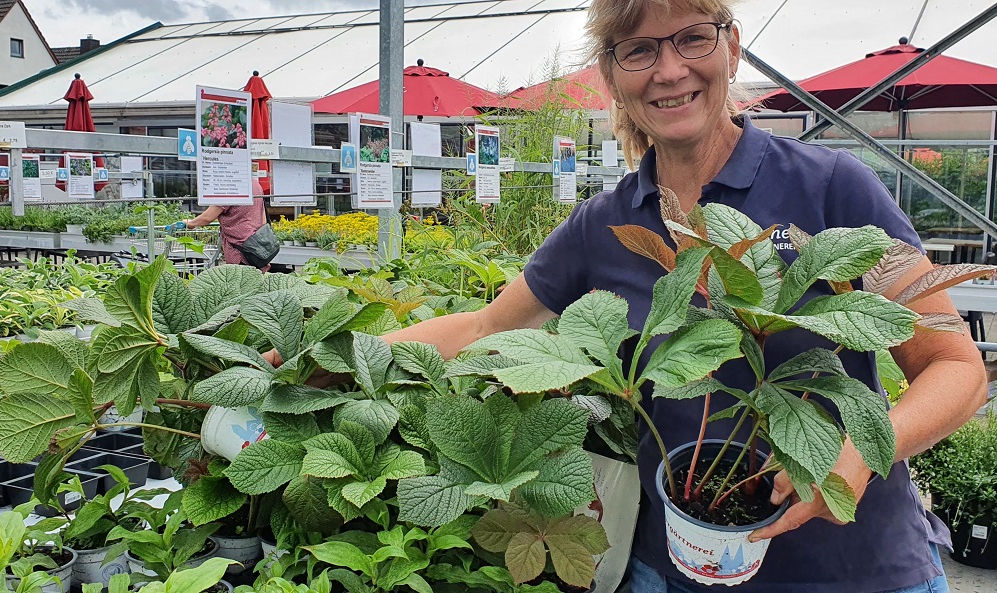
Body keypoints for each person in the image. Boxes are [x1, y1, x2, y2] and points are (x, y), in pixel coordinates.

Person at [265, 1, 986, 590]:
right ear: (612, 77)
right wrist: (334, 353)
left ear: (731, 47)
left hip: (854, 570)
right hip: (670, 568)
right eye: (637, 50)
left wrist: (862, 450)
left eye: (692, 38)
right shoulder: (605, 223)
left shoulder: (835, 188)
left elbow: (956, 366)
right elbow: (486, 325)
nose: (669, 70)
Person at [183, 198, 267, 270]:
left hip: (240, 248)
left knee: (237, 281)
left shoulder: (229, 187)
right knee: (255, 280)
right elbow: (262, 214)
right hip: (258, 245)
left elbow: (207, 217)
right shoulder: (255, 185)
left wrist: (190, 223)